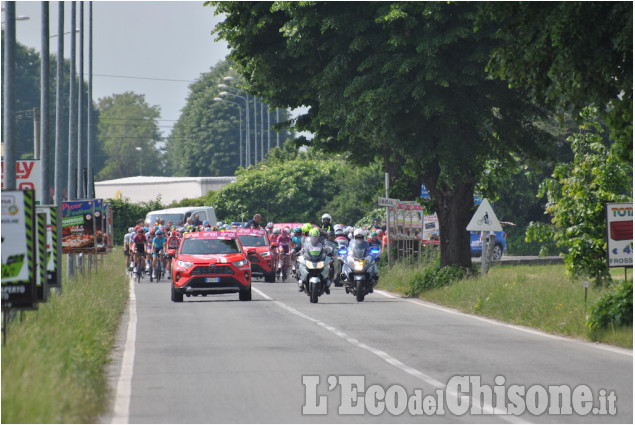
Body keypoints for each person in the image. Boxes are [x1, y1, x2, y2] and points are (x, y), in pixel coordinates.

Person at [299, 228, 332, 294]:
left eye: (316, 237)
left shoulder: (322, 242)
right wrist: (301, 251)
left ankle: (327, 285)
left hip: (319, 259)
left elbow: (326, 247)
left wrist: (329, 249)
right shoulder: (307, 244)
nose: (314, 238)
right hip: (310, 259)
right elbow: (304, 249)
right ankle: (301, 282)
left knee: (329, 267)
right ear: (310, 237)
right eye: (313, 237)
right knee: (300, 264)